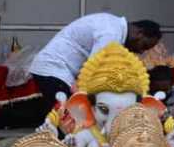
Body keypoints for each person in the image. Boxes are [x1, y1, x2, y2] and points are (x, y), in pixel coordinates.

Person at [29, 14, 161, 118]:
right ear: (139, 33)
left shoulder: (114, 27)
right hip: (53, 69)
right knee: (69, 121)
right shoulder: (111, 34)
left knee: (64, 117)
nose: (141, 52)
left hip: (58, 70)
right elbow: (95, 71)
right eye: (144, 46)